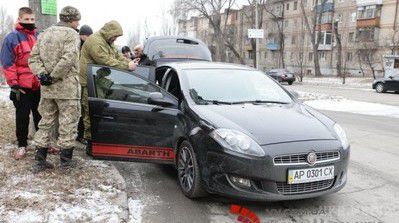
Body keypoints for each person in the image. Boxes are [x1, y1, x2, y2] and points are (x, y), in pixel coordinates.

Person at [29, 6, 82, 171]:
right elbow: (69, 58)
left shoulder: (44, 33)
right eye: (77, 19)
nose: (78, 22)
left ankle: (39, 161)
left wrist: (43, 75)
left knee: (45, 122)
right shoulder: (72, 34)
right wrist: (53, 76)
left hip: (48, 90)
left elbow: (33, 58)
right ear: (72, 20)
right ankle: (66, 163)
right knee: (68, 124)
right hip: (67, 89)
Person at [79, 20, 139, 140]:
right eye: (115, 36)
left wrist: (130, 62)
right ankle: (90, 141)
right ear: (109, 32)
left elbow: (117, 56)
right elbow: (105, 60)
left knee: (99, 111)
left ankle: (97, 139)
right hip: (88, 82)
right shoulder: (95, 41)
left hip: (98, 80)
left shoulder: (107, 41)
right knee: (90, 113)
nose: (115, 39)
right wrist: (127, 66)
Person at [0, 7, 41, 159]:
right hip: (22, 86)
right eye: (27, 19)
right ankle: (22, 145)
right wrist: (13, 83)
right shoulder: (12, 38)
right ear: (20, 19)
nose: (30, 22)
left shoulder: (38, 36)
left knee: (41, 116)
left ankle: (43, 144)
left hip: (38, 83)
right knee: (22, 117)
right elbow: (7, 63)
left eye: (32, 19)